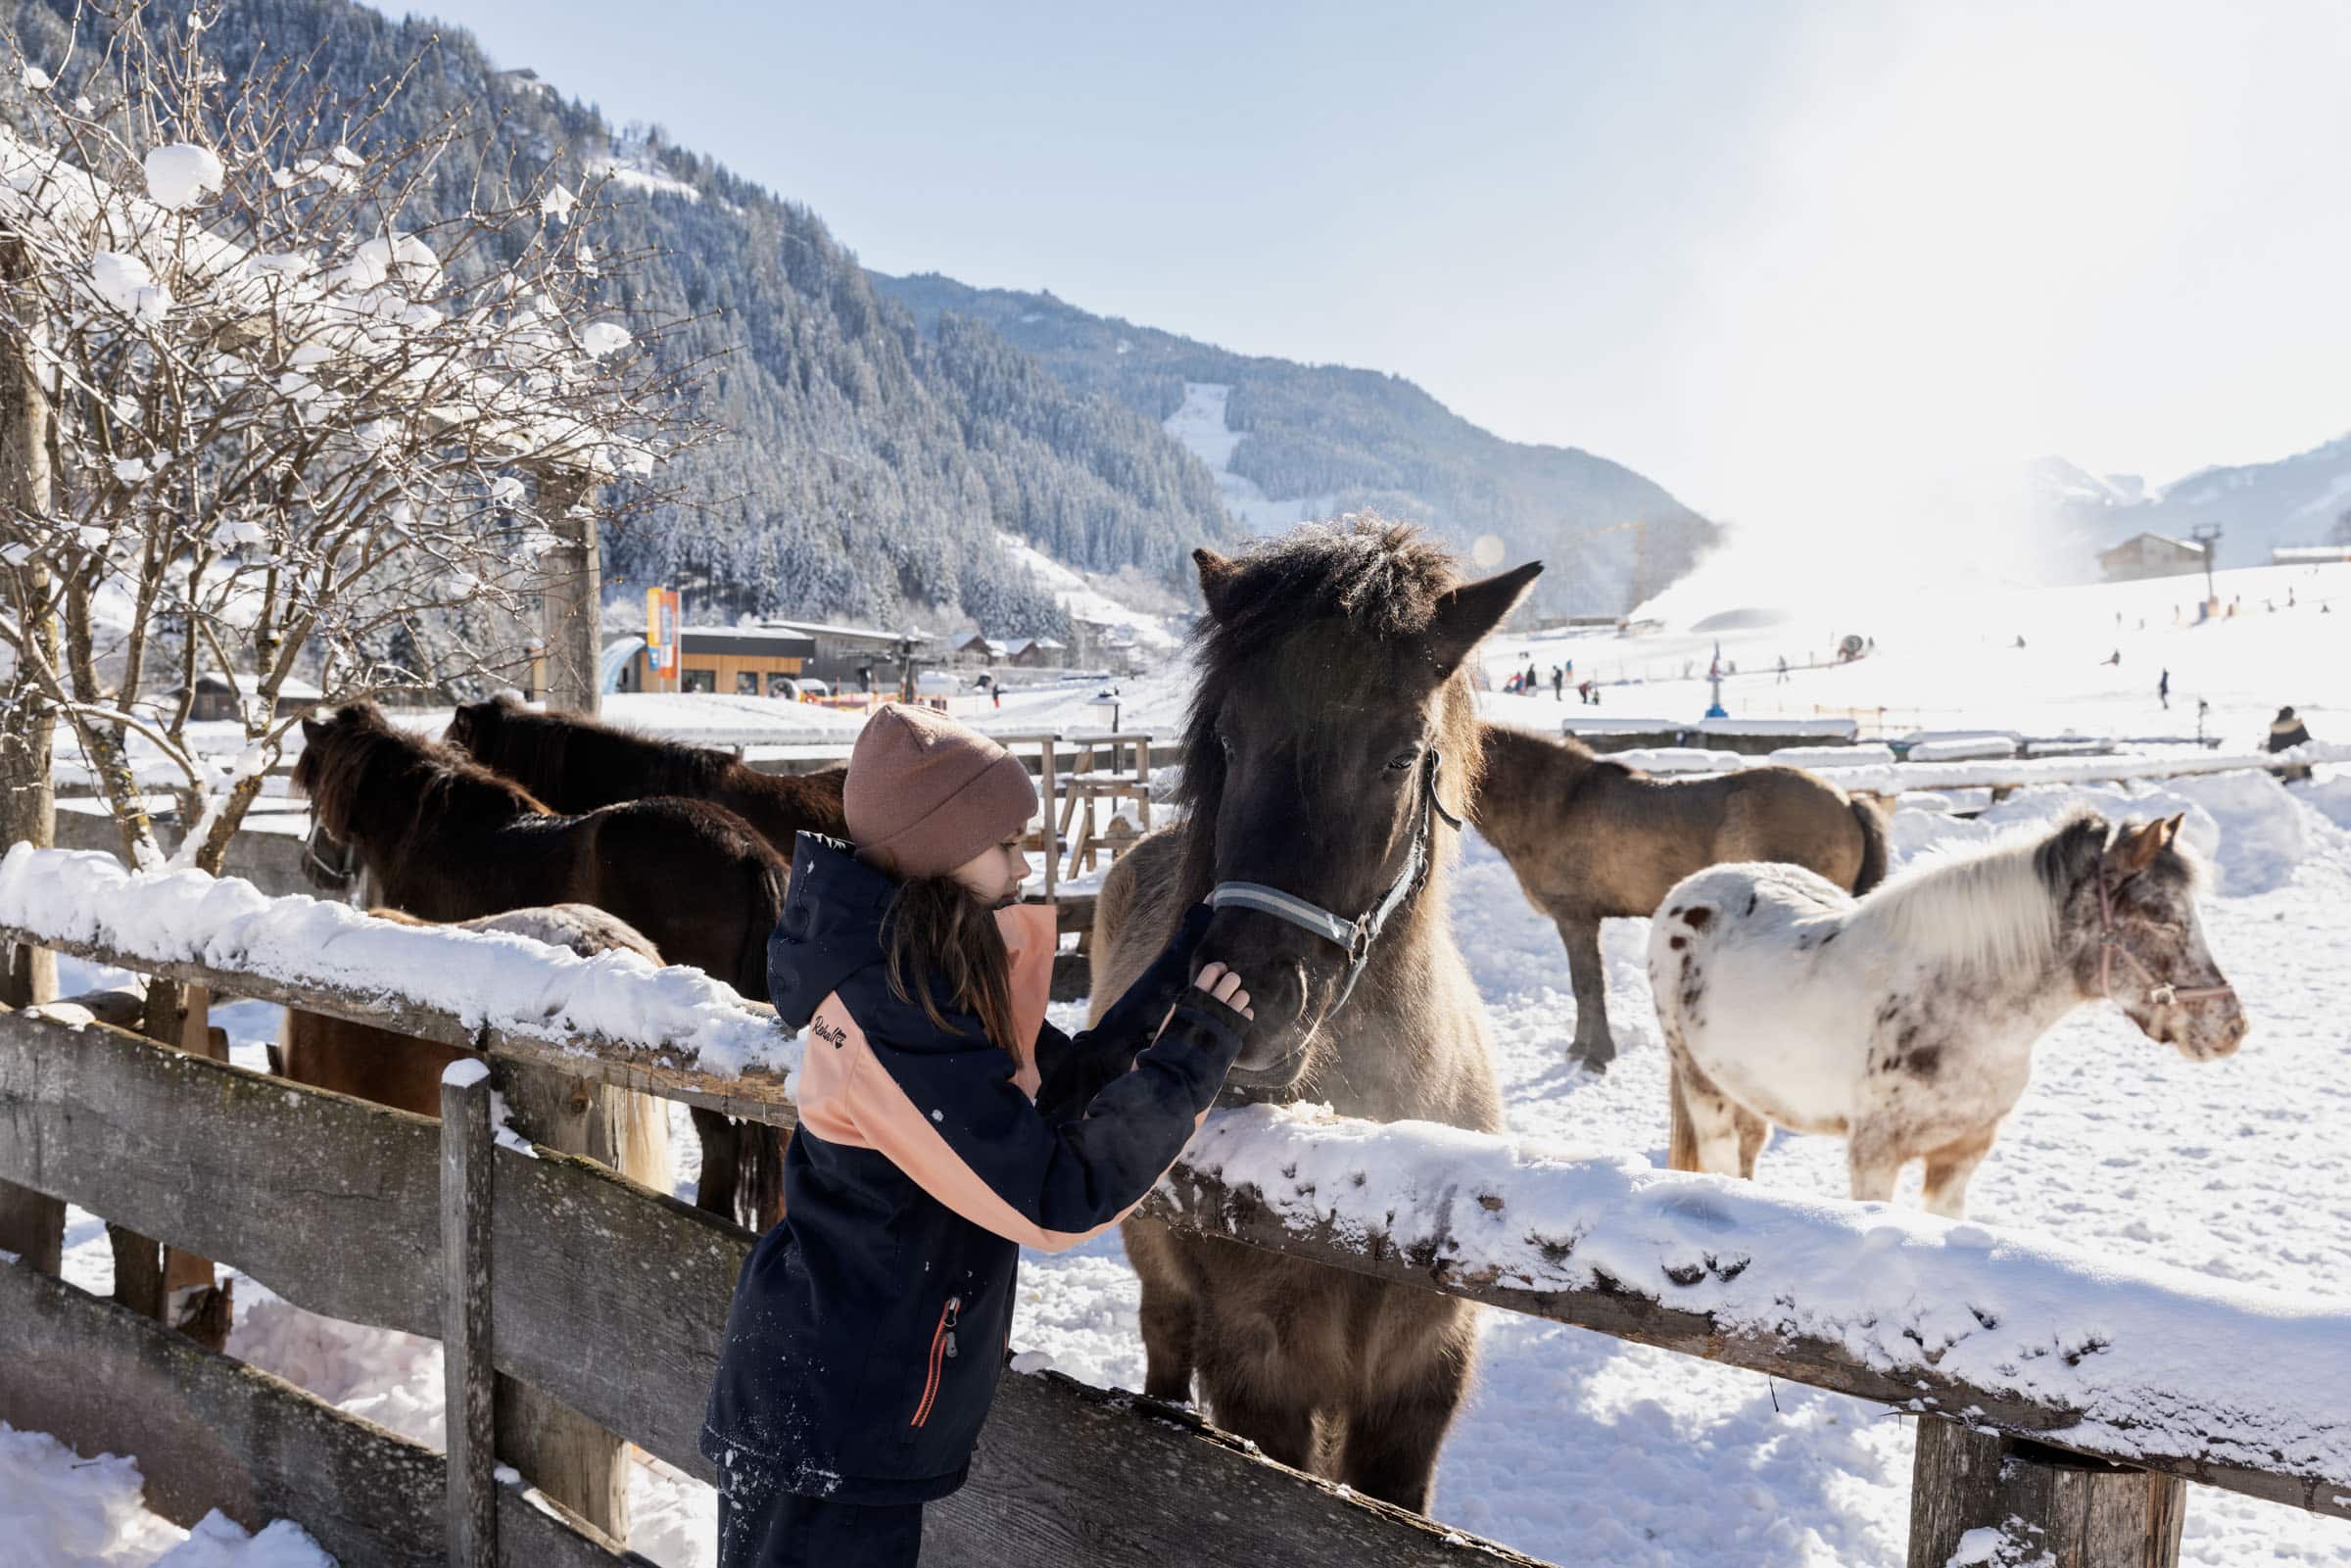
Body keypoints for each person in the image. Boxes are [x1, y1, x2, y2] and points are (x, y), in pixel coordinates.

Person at [701, 706, 1255, 1566]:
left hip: (844, 1403)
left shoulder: (922, 980)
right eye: (1005, 843)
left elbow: (1058, 1087)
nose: (1025, 865)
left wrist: (1181, 969)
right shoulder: (890, 1016)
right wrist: (1194, 1056)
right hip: (829, 1423)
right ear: (938, 851)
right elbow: (1053, 1196)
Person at [2270, 704, 2314, 783]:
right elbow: (2307, 741)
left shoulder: (2275, 728)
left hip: (2279, 767)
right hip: (2300, 765)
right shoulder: (2297, 725)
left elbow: (2272, 746)